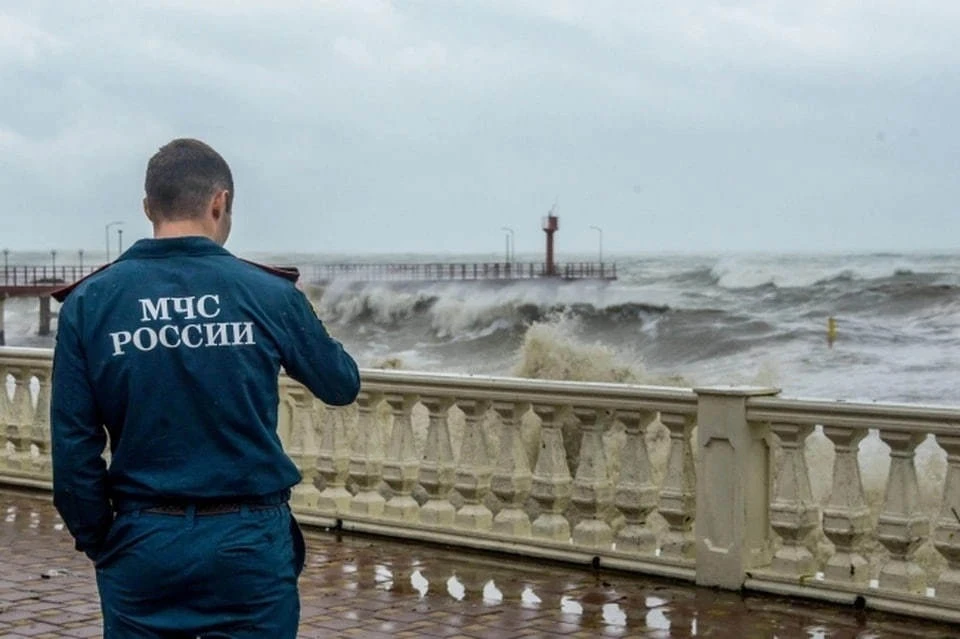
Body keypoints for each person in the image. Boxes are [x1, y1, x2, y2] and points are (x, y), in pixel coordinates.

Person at [50, 138, 361, 638]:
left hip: (143, 540)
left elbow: (72, 451)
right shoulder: (266, 292)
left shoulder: (90, 303)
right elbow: (341, 383)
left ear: (148, 207)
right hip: (247, 542)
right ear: (220, 202)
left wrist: (102, 540)